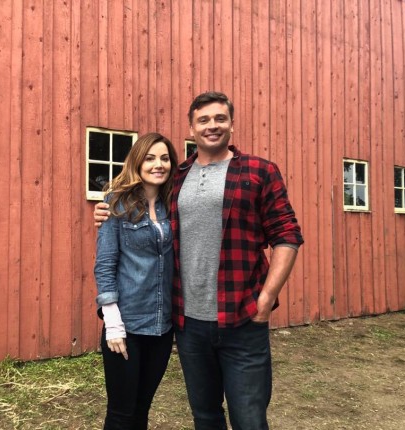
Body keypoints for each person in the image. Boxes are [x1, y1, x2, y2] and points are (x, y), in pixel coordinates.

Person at [94, 91, 304, 429]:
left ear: (232, 124)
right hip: (188, 323)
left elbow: (287, 234)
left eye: (220, 118)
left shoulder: (259, 171)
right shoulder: (177, 178)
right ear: (191, 129)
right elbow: (137, 210)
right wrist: (108, 209)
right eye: (203, 120)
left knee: (249, 419)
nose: (212, 126)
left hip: (242, 317)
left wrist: (265, 300)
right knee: (205, 416)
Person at [94, 132, 178, 429]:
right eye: (150, 158)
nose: (158, 164)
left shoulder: (173, 204)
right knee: (121, 414)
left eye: (165, 158)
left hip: (162, 326)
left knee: (142, 409)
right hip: (127, 325)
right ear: (137, 162)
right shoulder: (116, 204)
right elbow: (105, 265)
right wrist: (113, 323)